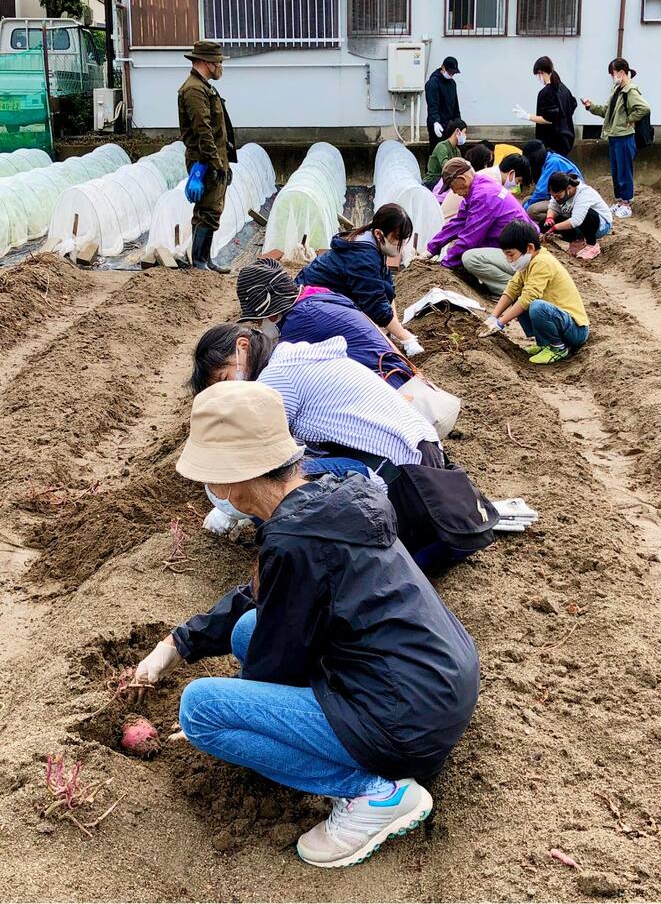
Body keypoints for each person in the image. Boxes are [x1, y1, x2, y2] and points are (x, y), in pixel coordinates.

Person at [132, 381, 480, 869]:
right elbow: (263, 598)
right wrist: (177, 644)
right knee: (245, 629)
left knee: (202, 710)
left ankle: (373, 795)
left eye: (208, 478)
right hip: (434, 686)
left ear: (231, 481)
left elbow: (274, 665)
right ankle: (354, 755)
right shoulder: (331, 500)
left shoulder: (295, 541)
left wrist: (234, 715)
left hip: (402, 721)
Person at [190, 325, 498, 565]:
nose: (227, 391)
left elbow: (256, 458)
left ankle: (302, 551)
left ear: (242, 348)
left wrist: (226, 507)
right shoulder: (300, 358)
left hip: (401, 480)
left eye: (224, 378)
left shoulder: (276, 377)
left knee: (266, 483)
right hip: (424, 473)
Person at [234, 257, 413, 389]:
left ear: (271, 311)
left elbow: (275, 377)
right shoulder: (316, 297)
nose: (259, 325)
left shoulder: (300, 321)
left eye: (258, 319)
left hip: (390, 387)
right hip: (400, 377)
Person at [296, 204, 423, 357]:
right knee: (361, 335)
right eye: (397, 238)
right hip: (308, 304)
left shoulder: (372, 243)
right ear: (378, 233)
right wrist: (406, 338)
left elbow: (386, 286)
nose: (401, 244)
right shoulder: (363, 256)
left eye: (404, 239)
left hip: (330, 293)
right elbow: (375, 304)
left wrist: (397, 328)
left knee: (385, 290)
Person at [478, 220, 589, 365]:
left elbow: (528, 298)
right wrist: (493, 318)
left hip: (575, 330)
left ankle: (557, 347)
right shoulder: (528, 262)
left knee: (535, 305)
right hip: (561, 322)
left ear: (529, 248)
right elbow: (512, 289)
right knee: (521, 298)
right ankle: (544, 343)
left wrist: (500, 323)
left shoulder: (542, 262)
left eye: (511, 255)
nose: (508, 260)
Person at [422, 159, 535, 294]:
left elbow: (470, 238)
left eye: (452, 187)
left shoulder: (484, 195)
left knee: (470, 258)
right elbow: (458, 223)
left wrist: (445, 265)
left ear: (462, 179)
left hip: (522, 253)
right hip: (515, 246)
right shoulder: (478, 187)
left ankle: (514, 290)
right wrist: (431, 249)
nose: (454, 192)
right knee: (465, 253)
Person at [178, 40, 237, 271]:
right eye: (218, 61)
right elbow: (202, 130)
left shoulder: (204, 86)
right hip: (204, 160)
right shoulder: (194, 89)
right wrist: (215, 164)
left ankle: (205, 260)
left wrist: (224, 162)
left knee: (211, 209)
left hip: (212, 157)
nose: (221, 65)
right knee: (208, 210)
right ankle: (200, 262)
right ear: (206, 62)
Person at [581, 58, 651, 219]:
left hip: (624, 136)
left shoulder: (630, 91)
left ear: (620, 72)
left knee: (624, 170)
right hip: (614, 135)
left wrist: (629, 119)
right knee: (616, 170)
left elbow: (644, 108)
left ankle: (626, 203)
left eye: (613, 73)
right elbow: (607, 110)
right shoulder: (617, 90)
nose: (612, 77)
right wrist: (591, 107)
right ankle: (619, 201)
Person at [513, 57, 577, 156]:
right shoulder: (564, 89)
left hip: (552, 143)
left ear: (541, 72)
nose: (538, 78)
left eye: (537, 75)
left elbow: (548, 119)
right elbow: (572, 105)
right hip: (566, 139)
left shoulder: (546, 93)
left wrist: (526, 116)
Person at [543, 172, 612, 260]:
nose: (556, 199)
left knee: (588, 214)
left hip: (600, 226)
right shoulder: (559, 192)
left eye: (558, 196)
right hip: (579, 224)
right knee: (544, 223)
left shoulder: (583, 193)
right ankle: (577, 241)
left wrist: (555, 228)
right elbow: (553, 207)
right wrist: (549, 218)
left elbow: (576, 220)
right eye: (553, 196)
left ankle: (592, 245)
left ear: (568, 188)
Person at [521, 139, 583, 223]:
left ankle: (563, 221)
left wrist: (523, 209)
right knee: (526, 200)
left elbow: (541, 192)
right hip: (561, 197)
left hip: (570, 200)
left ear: (534, 157)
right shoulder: (550, 158)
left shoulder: (552, 163)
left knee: (531, 210)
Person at [425, 56, 461, 151]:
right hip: (438, 124)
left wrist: (459, 123)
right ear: (443, 68)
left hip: (450, 124)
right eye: (450, 72)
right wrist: (435, 122)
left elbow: (455, 105)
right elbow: (432, 105)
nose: (451, 75)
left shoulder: (452, 83)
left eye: (453, 73)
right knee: (437, 150)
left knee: (450, 151)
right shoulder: (433, 83)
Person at [423, 117, 467, 188]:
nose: (465, 136)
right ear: (457, 131)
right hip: (432, 182)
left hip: (445, 181)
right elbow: (447, 167)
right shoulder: (441, 146)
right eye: (464, 132)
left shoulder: (457, 150)